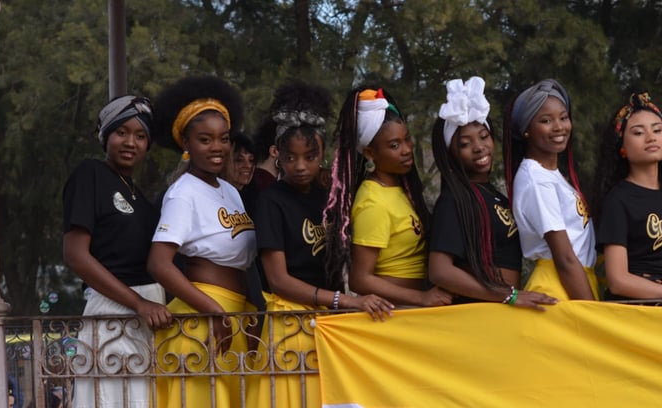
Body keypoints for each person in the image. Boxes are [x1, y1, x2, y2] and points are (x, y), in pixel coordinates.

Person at [249, 82, 393, 408]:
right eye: (291, 158)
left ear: (322, 153)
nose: (300, 166)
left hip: (328, 324)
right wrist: (346, 301)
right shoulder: (271, 201)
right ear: (277, 155)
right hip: (289, 324)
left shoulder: (328, 196)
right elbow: (278, 280)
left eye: (310, 157)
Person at [146, 76, 256, 408]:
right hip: (204, 317)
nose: (217, 147)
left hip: (234, 314)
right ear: (187, 144)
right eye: (205, 140)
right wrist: (212, 310)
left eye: (224, 139)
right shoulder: (183, 193)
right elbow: (159, 263)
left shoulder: (230, 191)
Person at [62, 95, 171, 408]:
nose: (130, 142)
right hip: (112, 314)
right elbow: (75, 255)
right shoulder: (91, 174)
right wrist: (138, 303)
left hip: (150, 316)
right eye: (121, 132)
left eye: (140, 136)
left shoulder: (138, 196)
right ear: (105, 135)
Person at [428, 76, 557, 309]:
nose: (479, 147)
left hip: (501, 311)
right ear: (450, 154)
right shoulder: (454, 200)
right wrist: (508, 295)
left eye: (484, 136)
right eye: (465, 144)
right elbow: (440, 271)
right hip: (479, 314)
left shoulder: (495, 196)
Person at [323, 87, 452, 306]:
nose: (406, 149)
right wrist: (421, 297)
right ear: (370, 153)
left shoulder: (401, 188)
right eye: (394, 145)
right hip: (396, 311)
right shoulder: (373, 201)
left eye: (407, 139)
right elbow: (359, 279)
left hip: (419, 307)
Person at [503, 79, 597, 301]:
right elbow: (564, 258)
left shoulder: (550, 175)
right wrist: (592, 312)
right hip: (560, 287)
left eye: (563, 117)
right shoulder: (538, 181)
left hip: (575, 282)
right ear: (526, 130)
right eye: (546, 120)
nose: (559, 127)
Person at [594, 92, 662, 301]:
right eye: (638, 133)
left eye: (657, 130)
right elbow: (618, 280)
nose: (651, 137)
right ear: (622, 147)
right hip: (636, 309)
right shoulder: (618, 200)